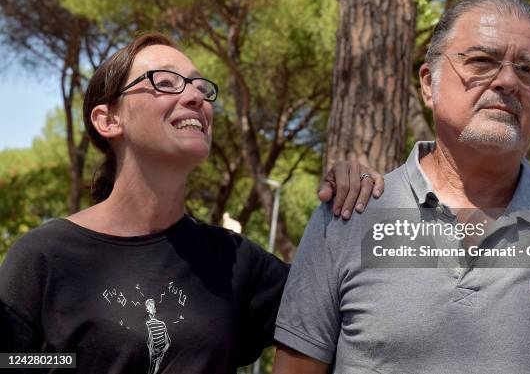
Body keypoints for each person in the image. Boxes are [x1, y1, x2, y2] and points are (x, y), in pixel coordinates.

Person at [0, 32, 384, 373]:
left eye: (201, 87)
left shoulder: (236, 262)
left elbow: (355, 306)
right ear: (108, 120)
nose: (195, 96)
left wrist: (362, 194)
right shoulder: (43, 256)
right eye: (165, 82)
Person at [272, 0, 530, 374]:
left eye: (528, 70)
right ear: (428, 84)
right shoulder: (350, 217)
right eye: (482, 61)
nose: (507, 81)